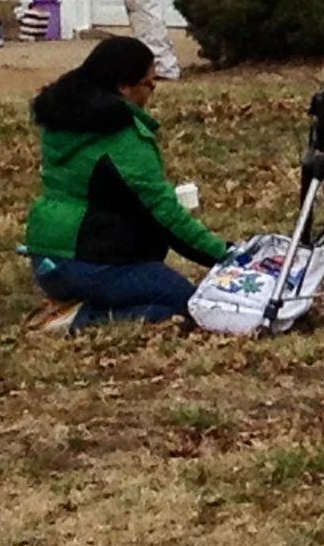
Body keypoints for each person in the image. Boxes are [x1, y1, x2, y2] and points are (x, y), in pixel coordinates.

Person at [22, 36, 231, 334]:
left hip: (46, 258)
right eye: (149, 84)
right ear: (123, 86)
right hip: (88, 263)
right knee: (185, 302)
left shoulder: (62, 121)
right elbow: (165, 214)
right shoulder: (123, 138)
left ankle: (70, 300)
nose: (151, 94)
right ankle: (79, 319)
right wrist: (224, 255)